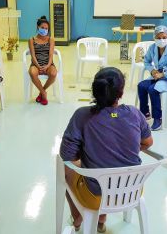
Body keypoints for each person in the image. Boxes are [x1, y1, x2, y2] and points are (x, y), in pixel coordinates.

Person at [60, 67, 153, 233]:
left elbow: (67, 156)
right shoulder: (134, 113)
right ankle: (101, 220)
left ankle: (78, 219)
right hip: (132, 190)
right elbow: (148, 142)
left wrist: (93, 151)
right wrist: (122, 149)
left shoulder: (81, 116)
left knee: (64, 169)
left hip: (96, 196)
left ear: (95, 91)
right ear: (121, 93)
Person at [137, 25, 167, 131]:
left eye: (164, 37)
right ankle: (145, 113)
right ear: (154, 37)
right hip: (159, 75)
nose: (161, 40)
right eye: (158, 38)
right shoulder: (153, 47)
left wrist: (162, 75)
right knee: (141, 86)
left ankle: (158, 119)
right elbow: (146, 61)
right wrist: (152, 70)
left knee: (152, 89)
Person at [28, 16, 57, 105]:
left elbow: (51, 54)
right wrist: (38, 66)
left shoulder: (51, 39)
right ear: (38, 27)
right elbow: (33, 55)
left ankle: (42, 92)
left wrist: (47, 66)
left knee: (53, 73)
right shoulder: (31, 40)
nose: (44, 30)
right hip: (36, 64)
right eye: (42, 28)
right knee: (32, 73)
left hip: (48, 64)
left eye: (46, 28)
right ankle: (44, 93)